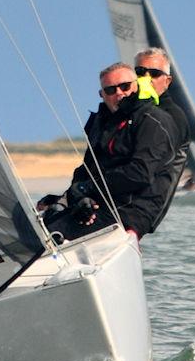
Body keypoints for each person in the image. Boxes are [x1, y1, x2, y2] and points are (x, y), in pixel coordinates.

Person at [37, 62, 176, 242]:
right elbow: (87, 168)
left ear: (137, 86)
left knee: (50, 235)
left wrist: (89, 188)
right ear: (102, 95)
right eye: (110, 90)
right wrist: (74, 196)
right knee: (43, 221)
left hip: (132, 210)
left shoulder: (153, 121)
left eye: (125, 86)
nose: (119, 93)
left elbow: (140, 172)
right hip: (101, 203)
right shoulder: (101, 123)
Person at [133, 47, 191, 229]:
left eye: (155, 73)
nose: (147, 78)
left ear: (167, 81)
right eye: (140, 72)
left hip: (143, 210)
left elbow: (146, 167)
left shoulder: (172, 117)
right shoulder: (129, 111)